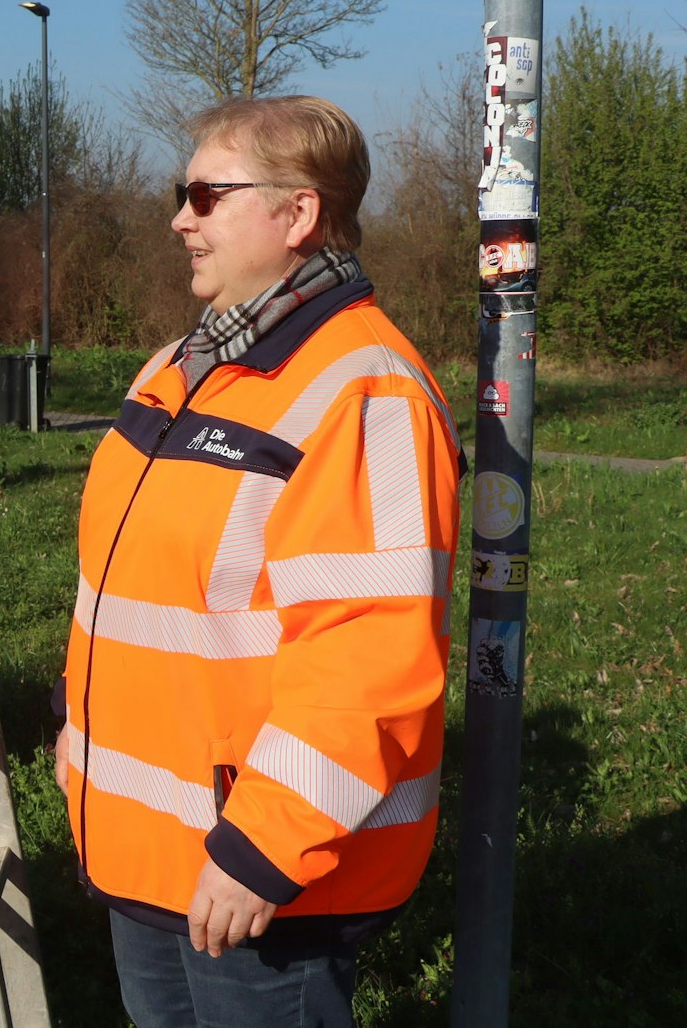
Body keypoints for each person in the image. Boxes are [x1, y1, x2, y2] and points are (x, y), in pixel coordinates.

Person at [56, 95, 461, 1027]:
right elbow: (127, 587)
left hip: (261, 879)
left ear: (299, 212)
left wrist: (261, 850)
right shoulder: (178, 365)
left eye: (206, 193)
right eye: (181, 191)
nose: (178, 217)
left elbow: (369, 661)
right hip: (145, 851)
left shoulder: (366, 388)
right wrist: (76, 734)